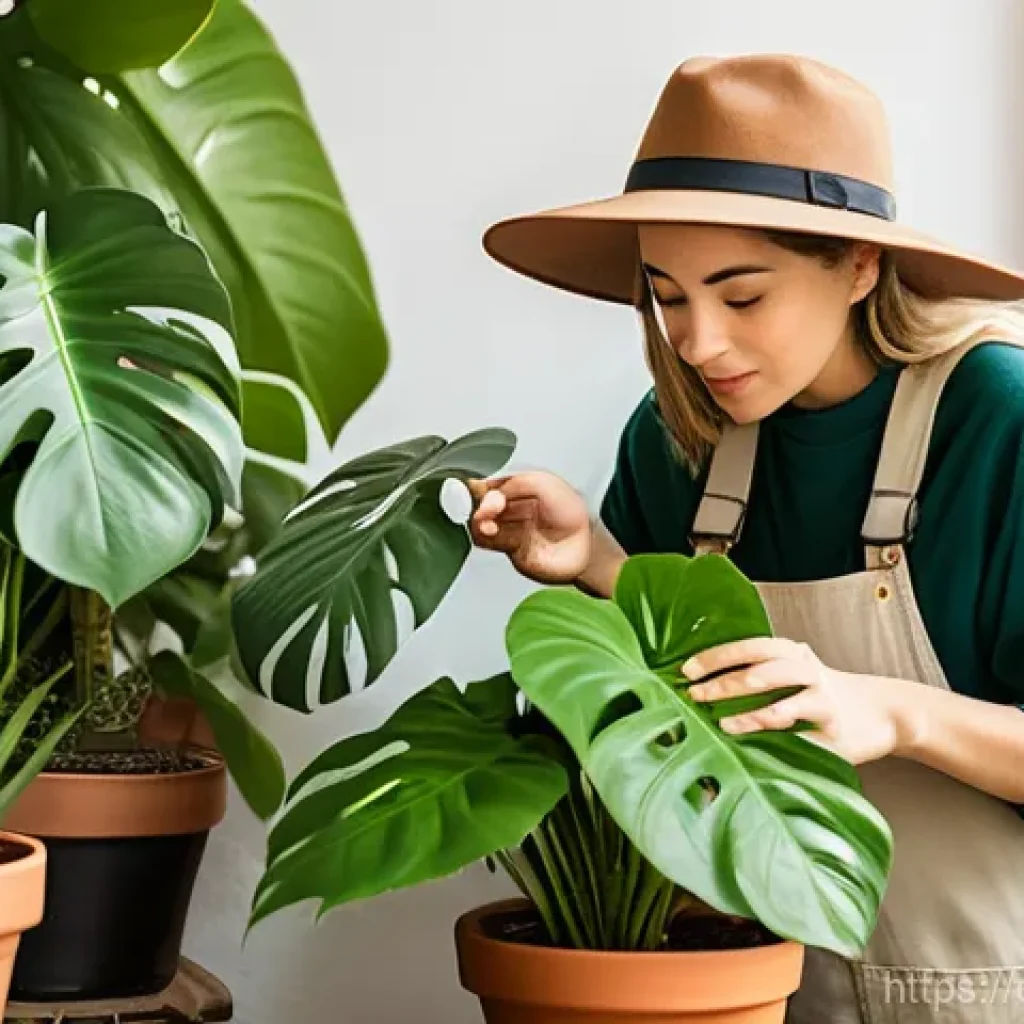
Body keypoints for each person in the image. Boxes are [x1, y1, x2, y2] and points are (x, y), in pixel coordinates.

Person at [467, 54, 1024, 1024]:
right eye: (666, 295)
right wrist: (595, 559)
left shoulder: (995, 418)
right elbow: (657, 709)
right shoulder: (676, 437)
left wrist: (894, 713)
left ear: (858, 264)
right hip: (735, 995)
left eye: (741, 294)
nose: (697, 344)